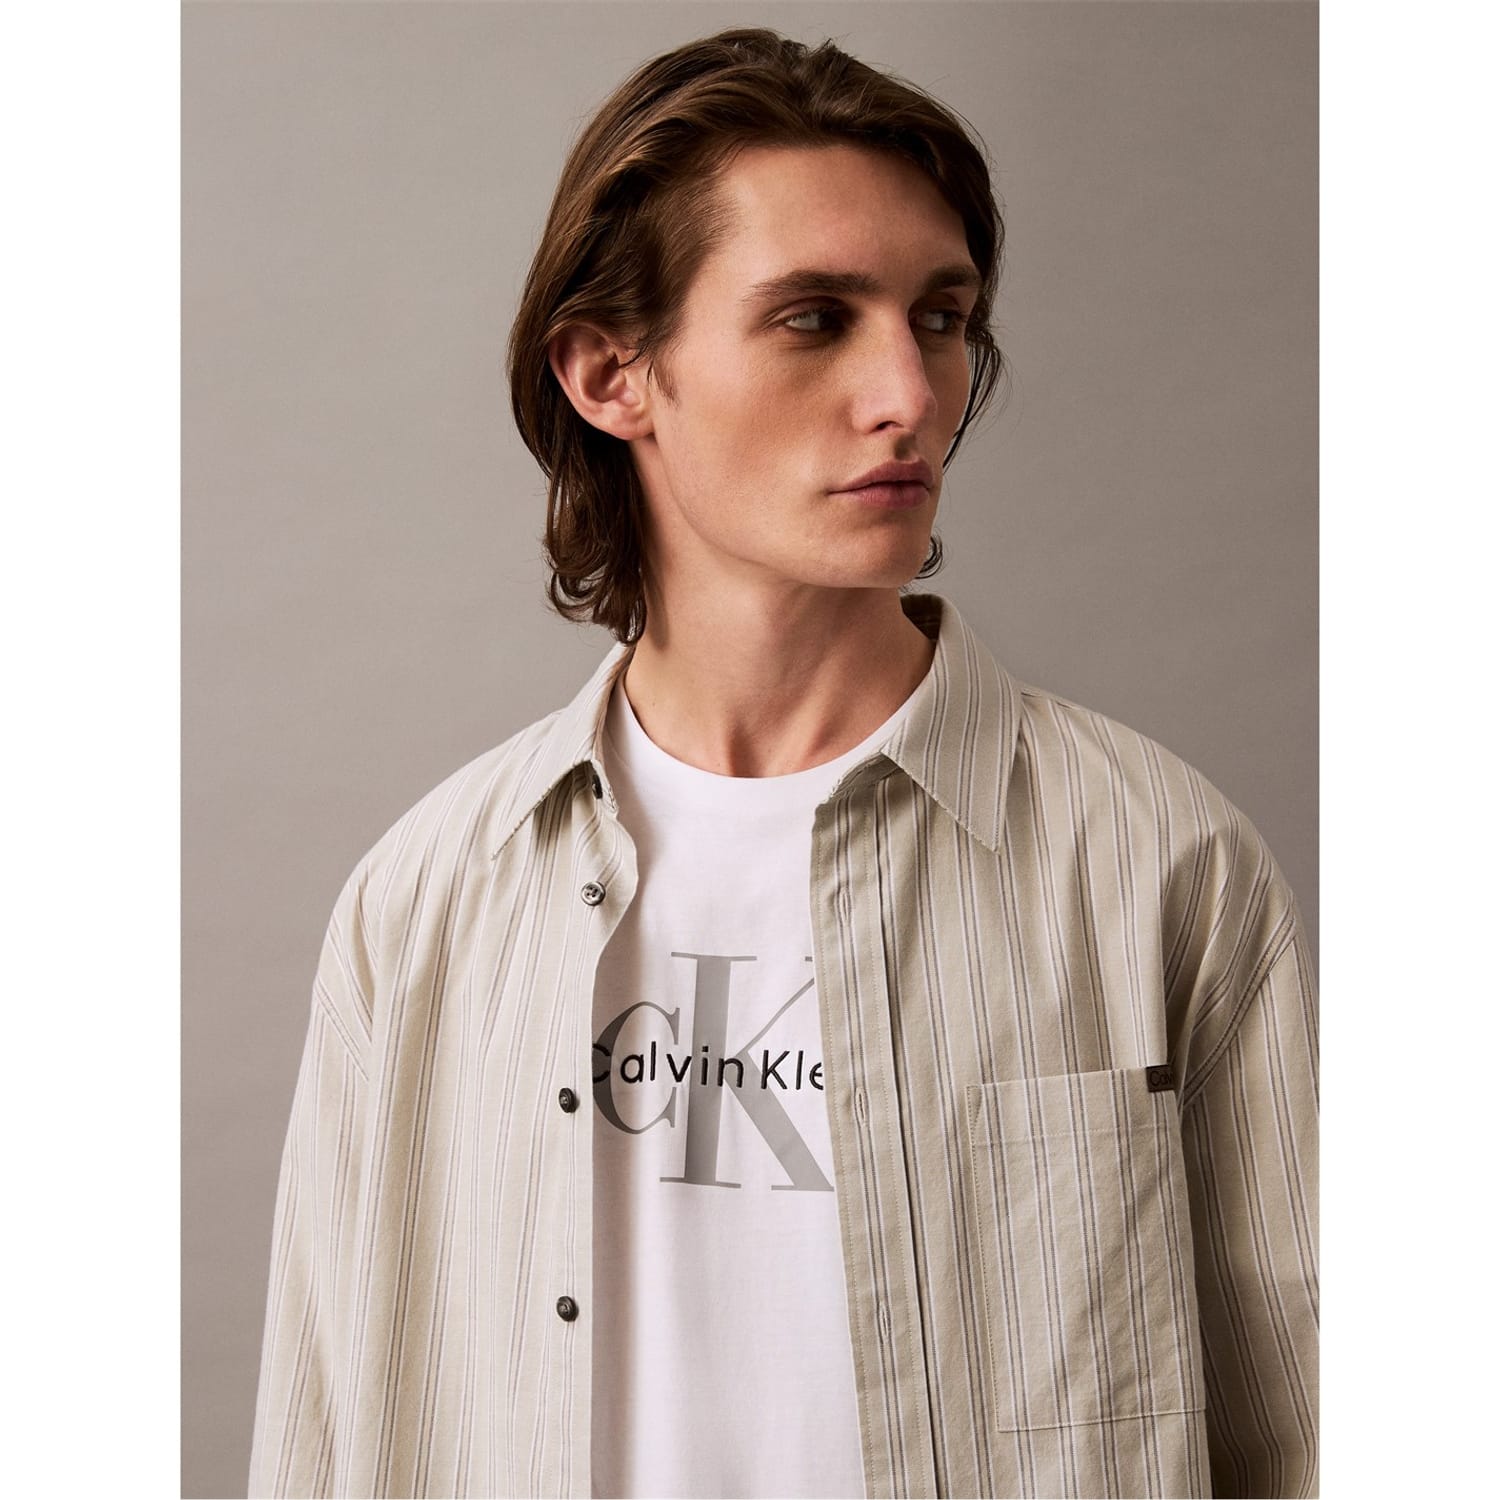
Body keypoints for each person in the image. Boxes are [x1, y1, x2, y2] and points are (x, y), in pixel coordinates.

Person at [248, 27, 1317, 1500]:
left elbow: (1322, 1433)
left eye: (940, 318)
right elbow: (323, 1443)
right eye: (815, 319)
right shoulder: (425, 906)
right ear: (611, 372)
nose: (910, 393)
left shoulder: (1157, 868)